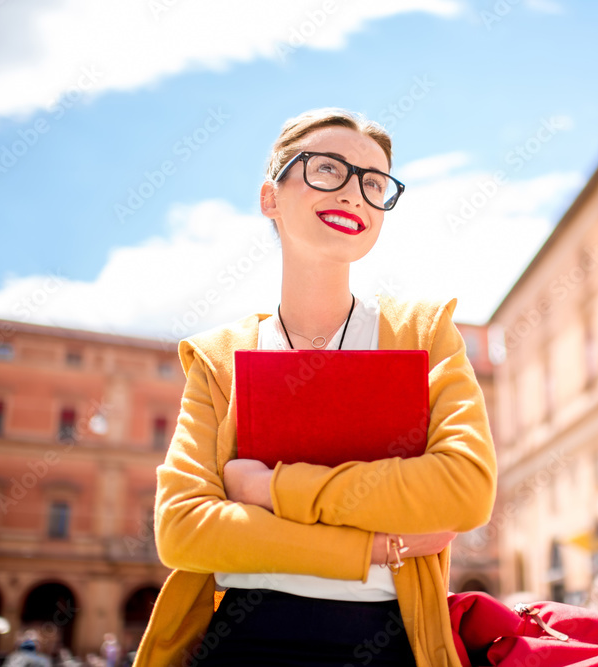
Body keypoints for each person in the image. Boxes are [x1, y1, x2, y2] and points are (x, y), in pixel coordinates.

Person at [133, 108, 497, 666]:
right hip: (245, 645)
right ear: (270, 198)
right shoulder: (218, 358)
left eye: (373, 183)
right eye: (328, 170)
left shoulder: (423, 333)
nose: (354, 194)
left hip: (394, 643)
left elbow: (465, 489)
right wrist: (378, 546)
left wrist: (268, 491)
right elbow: (184, 530)